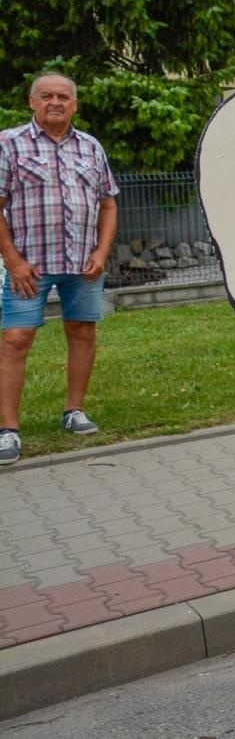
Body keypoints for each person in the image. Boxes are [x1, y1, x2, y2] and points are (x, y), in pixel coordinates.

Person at [0, 74, 120, 466]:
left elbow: (108, 204)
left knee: (82, 331)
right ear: (31, 102)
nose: (56, 102)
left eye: (63, 96)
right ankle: (8, 431)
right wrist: (13, 261)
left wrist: (102, 252)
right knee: (16, 339)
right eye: (47, 96)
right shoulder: (9, 143)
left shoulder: (90, 147)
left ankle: (74, 411)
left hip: (83, 264)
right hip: (29, 267)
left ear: (75, 104)